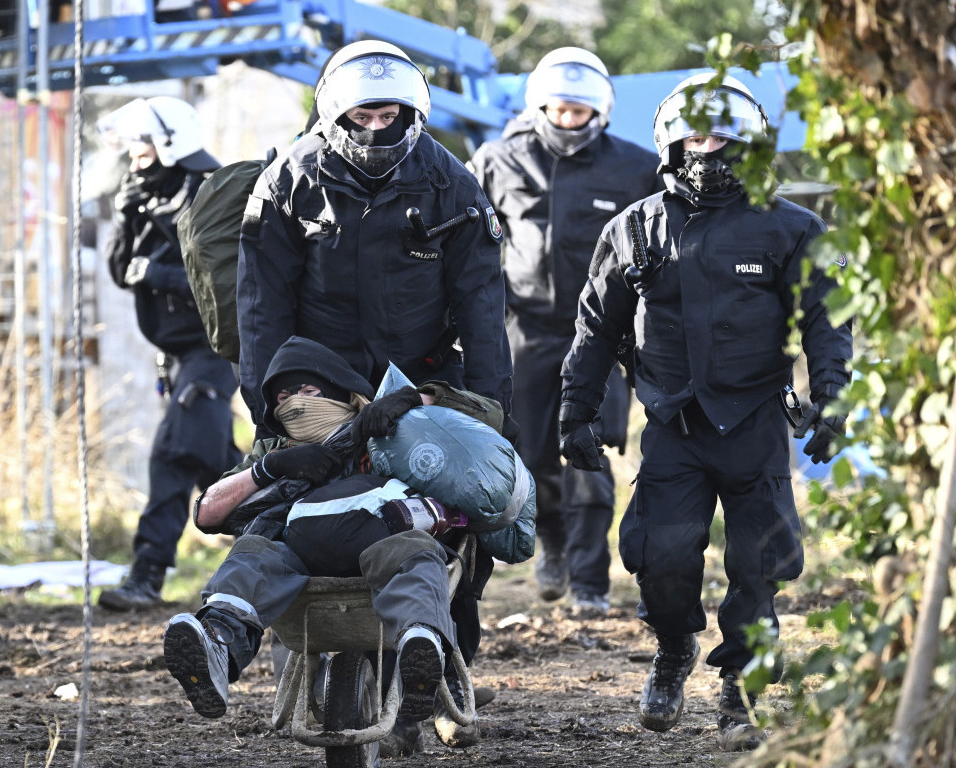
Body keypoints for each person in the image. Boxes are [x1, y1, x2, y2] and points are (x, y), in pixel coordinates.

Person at [558, 73, 853, 751]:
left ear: (748, 144)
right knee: (661, 558)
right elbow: (596, 328)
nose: (707, 149)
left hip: (755, 419)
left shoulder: (792, 227)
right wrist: (576, 412)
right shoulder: (633, 228)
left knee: (758, 566)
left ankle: (741, 686)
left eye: (721, 138)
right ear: (671, 142)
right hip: (672, 422)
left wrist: (833, 398)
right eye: (695, 137)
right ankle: (673, 650)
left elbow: (827, 319)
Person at [165, 336, 530, 752]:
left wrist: (414, 399)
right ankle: (217, 642)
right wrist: (270, 468)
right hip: (303, 563)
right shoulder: (275, 449)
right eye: (282, 397)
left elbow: (492, 417)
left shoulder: (390, 427)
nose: (295, 403)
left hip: (386, 548)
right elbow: (207, 513)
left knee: (414, 554)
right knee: (253, 555)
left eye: (309, 390)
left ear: (341, 391)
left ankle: (423, 649)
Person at [238, 39, 515, 441]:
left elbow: (481, 305)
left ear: (410, 113)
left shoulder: (453, 184)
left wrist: (492, 407)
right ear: (337, 113)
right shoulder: (287, 184)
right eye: (362, 116)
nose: (375, 129)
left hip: (421, 388)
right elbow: (262, 309)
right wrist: (268, 418)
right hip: (318, 390)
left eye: (388, 116)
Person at [468, 47, 662, 614]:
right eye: (560, 110)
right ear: (540, 106)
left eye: (580, 111)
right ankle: (551, 543)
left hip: (602, 335)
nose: (569, 120)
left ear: (599, 111)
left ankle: (591, 583)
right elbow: (466, 239)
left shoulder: (634, 167)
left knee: (589, 453)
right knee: (530, 455)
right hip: (524, 331)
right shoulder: (498, 160)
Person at [96, 96, 241, 612]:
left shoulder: (211, 193)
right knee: (215, 462)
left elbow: (229, 279)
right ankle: (282, 540)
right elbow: (121, 271)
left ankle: (147, 575)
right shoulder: (146, 197)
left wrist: (158, 274)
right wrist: (124, 215)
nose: (134, 160)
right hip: (176, 357)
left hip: (215, 350)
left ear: (171, 144)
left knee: (173, 452)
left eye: (143, 149)